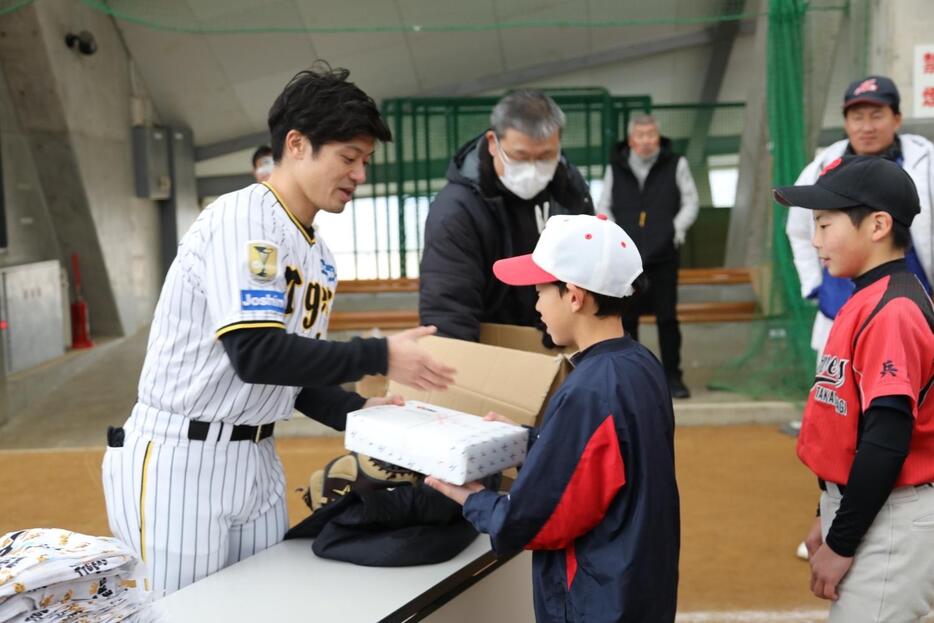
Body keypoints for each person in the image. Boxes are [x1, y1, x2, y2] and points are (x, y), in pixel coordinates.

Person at [101, 65, 455, 596]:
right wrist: (379, 354)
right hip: (181, 456)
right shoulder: (243, 219)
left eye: (365, 161)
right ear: (296, 144)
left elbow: (293, 368)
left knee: (262, 606)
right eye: (348, 158)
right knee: (176, 613)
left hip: (258, 457)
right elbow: (256, 353)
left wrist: (356, 412)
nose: (360, 174)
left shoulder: (320, 254)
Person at [427, 213, 681, 622]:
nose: (536, 303)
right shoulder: (640, 363)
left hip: (597, 601)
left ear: (575, 296)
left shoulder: (589, 388)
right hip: (638, 586)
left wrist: (472, 499)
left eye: (542, 290)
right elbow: (603, 463)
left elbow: (535, 521)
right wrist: (530, 443)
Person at [773, 155, 934, 622]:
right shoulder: (867, 297)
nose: (816, 240)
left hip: (894, 517)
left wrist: (843, 540)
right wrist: (828, 510)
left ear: (879, 225)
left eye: (825, 224)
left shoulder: (894, 310)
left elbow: (886, 438)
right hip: (871, 507)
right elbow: (853, 429)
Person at [419, 90, 594, 343]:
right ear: (493, 143)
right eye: (520, 156)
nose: (533, 169)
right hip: (491, 344)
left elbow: (584, 269)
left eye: (545, 157)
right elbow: (448, 306)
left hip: (557, 340)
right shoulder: (457, 209)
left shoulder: (569, 191)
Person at [786, 75, 934, 359]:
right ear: (846, 122)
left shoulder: (926, 160)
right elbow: (798, 231)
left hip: (910, 306)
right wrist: (815, 285)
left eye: (876, 116)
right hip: (839, 306)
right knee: (836, 393)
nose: (866, 127)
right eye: (857, 117)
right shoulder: (821, 166)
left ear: (897, 119)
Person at [597, 114, 699, 399]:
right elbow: (604, 204)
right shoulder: (615, 168)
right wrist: (616, 238)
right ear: (631, 140)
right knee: (628, 320)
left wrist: (676, 230)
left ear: (658, 137)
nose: (645, 140)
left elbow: (691, 201)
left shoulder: (676, 163)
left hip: (665, 254)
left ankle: (673, 378)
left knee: (667, 318)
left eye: (650, 134)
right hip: (628, 258)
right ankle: (632, 380)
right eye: (640, 135)